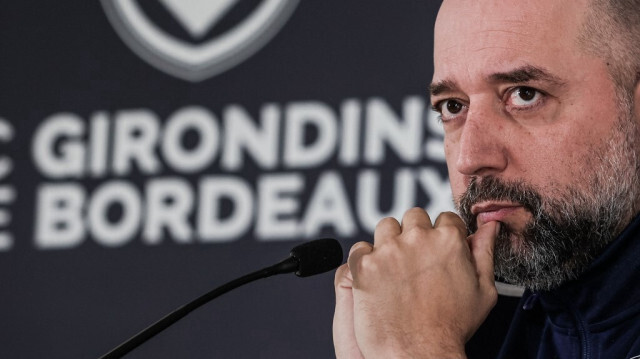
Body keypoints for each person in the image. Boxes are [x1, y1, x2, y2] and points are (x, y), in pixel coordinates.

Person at [333, 0, 640, 357]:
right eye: (452, 106)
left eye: (525, 95)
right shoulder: (467, 328)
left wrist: (418, 348)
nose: (470, 158)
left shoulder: (434, 337)